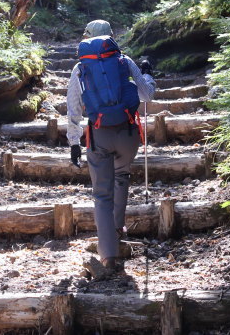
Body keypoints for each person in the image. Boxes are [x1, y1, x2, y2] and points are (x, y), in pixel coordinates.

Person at [67, 19, 156, 280]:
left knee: (102, 196)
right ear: (111, 38)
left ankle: (108, 255)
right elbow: (147, 95)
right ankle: (118, 228)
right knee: (121, 176)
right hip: (128, 134)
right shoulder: (124, 62)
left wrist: (74, 142)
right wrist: (148, 72)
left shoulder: (80, 67)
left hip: (99, 134)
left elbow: (73, 108)